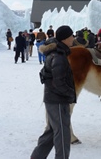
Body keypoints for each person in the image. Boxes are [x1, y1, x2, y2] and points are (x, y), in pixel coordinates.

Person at [31, 25, 76, 159]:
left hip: (53, 99)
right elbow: (59, 82)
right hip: (57, 100)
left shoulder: (57, 53)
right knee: (62, 133)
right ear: (65, 38)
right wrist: (70, 93)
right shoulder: (59, 56)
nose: (73, 38)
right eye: (71, 36)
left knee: (52, 132)